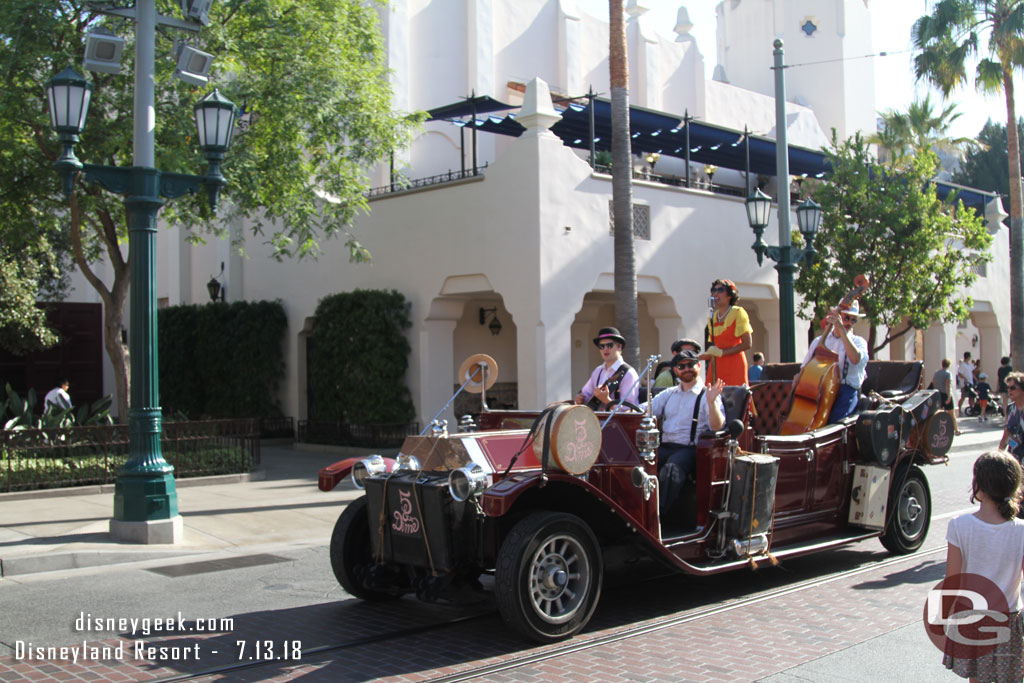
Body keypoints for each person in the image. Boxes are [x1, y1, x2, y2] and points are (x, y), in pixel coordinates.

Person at [941, 450, 1024, 682]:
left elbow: (952, 581)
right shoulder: (1021, 530)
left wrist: (944, 618)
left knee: (977, 679)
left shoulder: (960, 526)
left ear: (978, 485)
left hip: (971, 618)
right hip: (1008, 619)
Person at [641, 350, 725, 517]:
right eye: (681, 366)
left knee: (672, 468)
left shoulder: (708, 394)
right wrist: (611, 404)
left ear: (698, 366)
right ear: (676, 370)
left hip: (689, 449)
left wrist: (711, 402)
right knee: (638, 463)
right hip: (665, 446)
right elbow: (644, 410)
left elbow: (717, 427)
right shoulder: (669, 393)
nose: (686, 369)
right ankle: (635, 510)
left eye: (690, 365)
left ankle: (655, 516)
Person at [800, 301, 868, 423]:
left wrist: (842, 330)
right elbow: (805, 368)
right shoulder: (818, 341)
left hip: (846, 391)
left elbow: (855, 358)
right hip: (821, 391)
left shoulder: (859, 342)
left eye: (853, 320)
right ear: (837, 316)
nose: (849, 323)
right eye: (846, 318)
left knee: (835, 424)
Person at [574, 327, 640, 410]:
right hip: (597, 421)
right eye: (601, 346)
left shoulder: (629, 373)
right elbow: (585, 394)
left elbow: (629, 410)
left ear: (619, 346)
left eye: (609, 345)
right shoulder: (598, 371)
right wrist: (580, 399)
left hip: (618, 422)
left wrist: (607, 400)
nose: (605, 349)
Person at [702, 279, 752, 386]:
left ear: (730, 294)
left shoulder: (738, 312)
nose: (715, 293)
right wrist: (698, 357)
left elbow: (747, 344)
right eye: (713, 290)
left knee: (736, 398)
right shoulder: (713, 316)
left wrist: (722, 353)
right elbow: (716, 347)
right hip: (717, 364)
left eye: (720, 290)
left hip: (735, 364)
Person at [999, 371, 1024, 463]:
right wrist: (999, 453)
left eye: (1013, 388)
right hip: (1014, 457)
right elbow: (1007, 432)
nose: (1009, 391)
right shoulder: (1010, 408)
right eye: (1008, 388)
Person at [933, 358, 961, 436]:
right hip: (945, 394)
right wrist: (949, 396)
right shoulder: (948, 373)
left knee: (939, 412)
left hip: (938, 393)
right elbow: (947, 385)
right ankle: (956, 429)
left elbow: (933, 382)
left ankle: (937, 429)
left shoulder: (936, 373)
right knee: (952, 413)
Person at [958, 352, 976, 417]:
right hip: (965, 384)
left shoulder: (969, 364)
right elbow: (959, 373)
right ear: (968, 357)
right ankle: (959, 409)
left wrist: (975, 379)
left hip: (971, 383)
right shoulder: (962, 365)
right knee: (963, 397)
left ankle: (972, 409)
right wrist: (964, 378)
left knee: (972, 397)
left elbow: (972, 372)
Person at [998, 355, 1013, 420]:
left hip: (1002, 386)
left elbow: (998, 379)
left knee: (1005, 402)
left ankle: (1006, 416)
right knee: (1013, 400)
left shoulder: (1000, 369)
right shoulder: (1010, 368)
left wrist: (997, 388)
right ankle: (1012, 415)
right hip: (1010, 386)